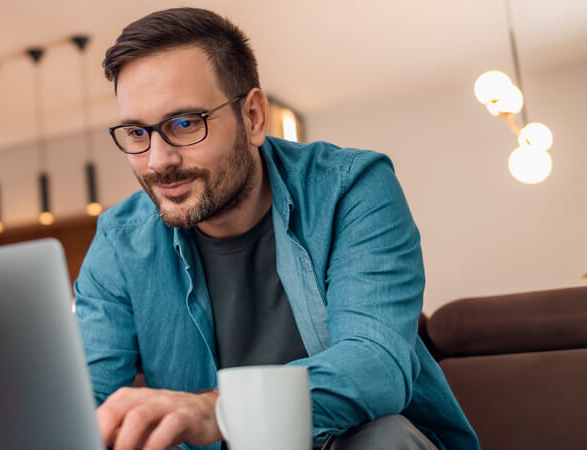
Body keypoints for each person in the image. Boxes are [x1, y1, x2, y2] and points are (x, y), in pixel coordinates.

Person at [73, 7, 479, 450]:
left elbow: (375, 363)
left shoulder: (351, 188)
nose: (158, 160)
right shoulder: (119, 239)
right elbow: (84, 401)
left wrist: (221, 410)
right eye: (137, 132)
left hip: (345, 442)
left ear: (252, 117)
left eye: (185, 123)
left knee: (383, 439)